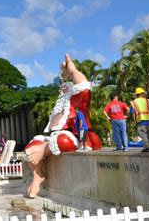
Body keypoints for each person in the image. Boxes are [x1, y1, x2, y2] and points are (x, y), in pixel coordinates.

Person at [23, 54, 102, 198]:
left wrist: (72, 71)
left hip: (78, 136)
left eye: (66, 90)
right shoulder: (58, 107)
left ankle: (43, 151)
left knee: (63, 140)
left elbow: (83, 86)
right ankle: (37, 175)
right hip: (54, 135)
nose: (62, 92)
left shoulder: (76, 103)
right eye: (61, 90)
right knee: (30, 147)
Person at [130, 88, 149, 152]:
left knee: (143, 134)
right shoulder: (148, 101)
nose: (144, 94)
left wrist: (135, 121)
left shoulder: (134, 102)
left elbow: (133, 113)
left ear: (137, 94)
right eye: (143, 93)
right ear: (142, 94)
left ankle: (147, 147)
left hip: (141, 121)